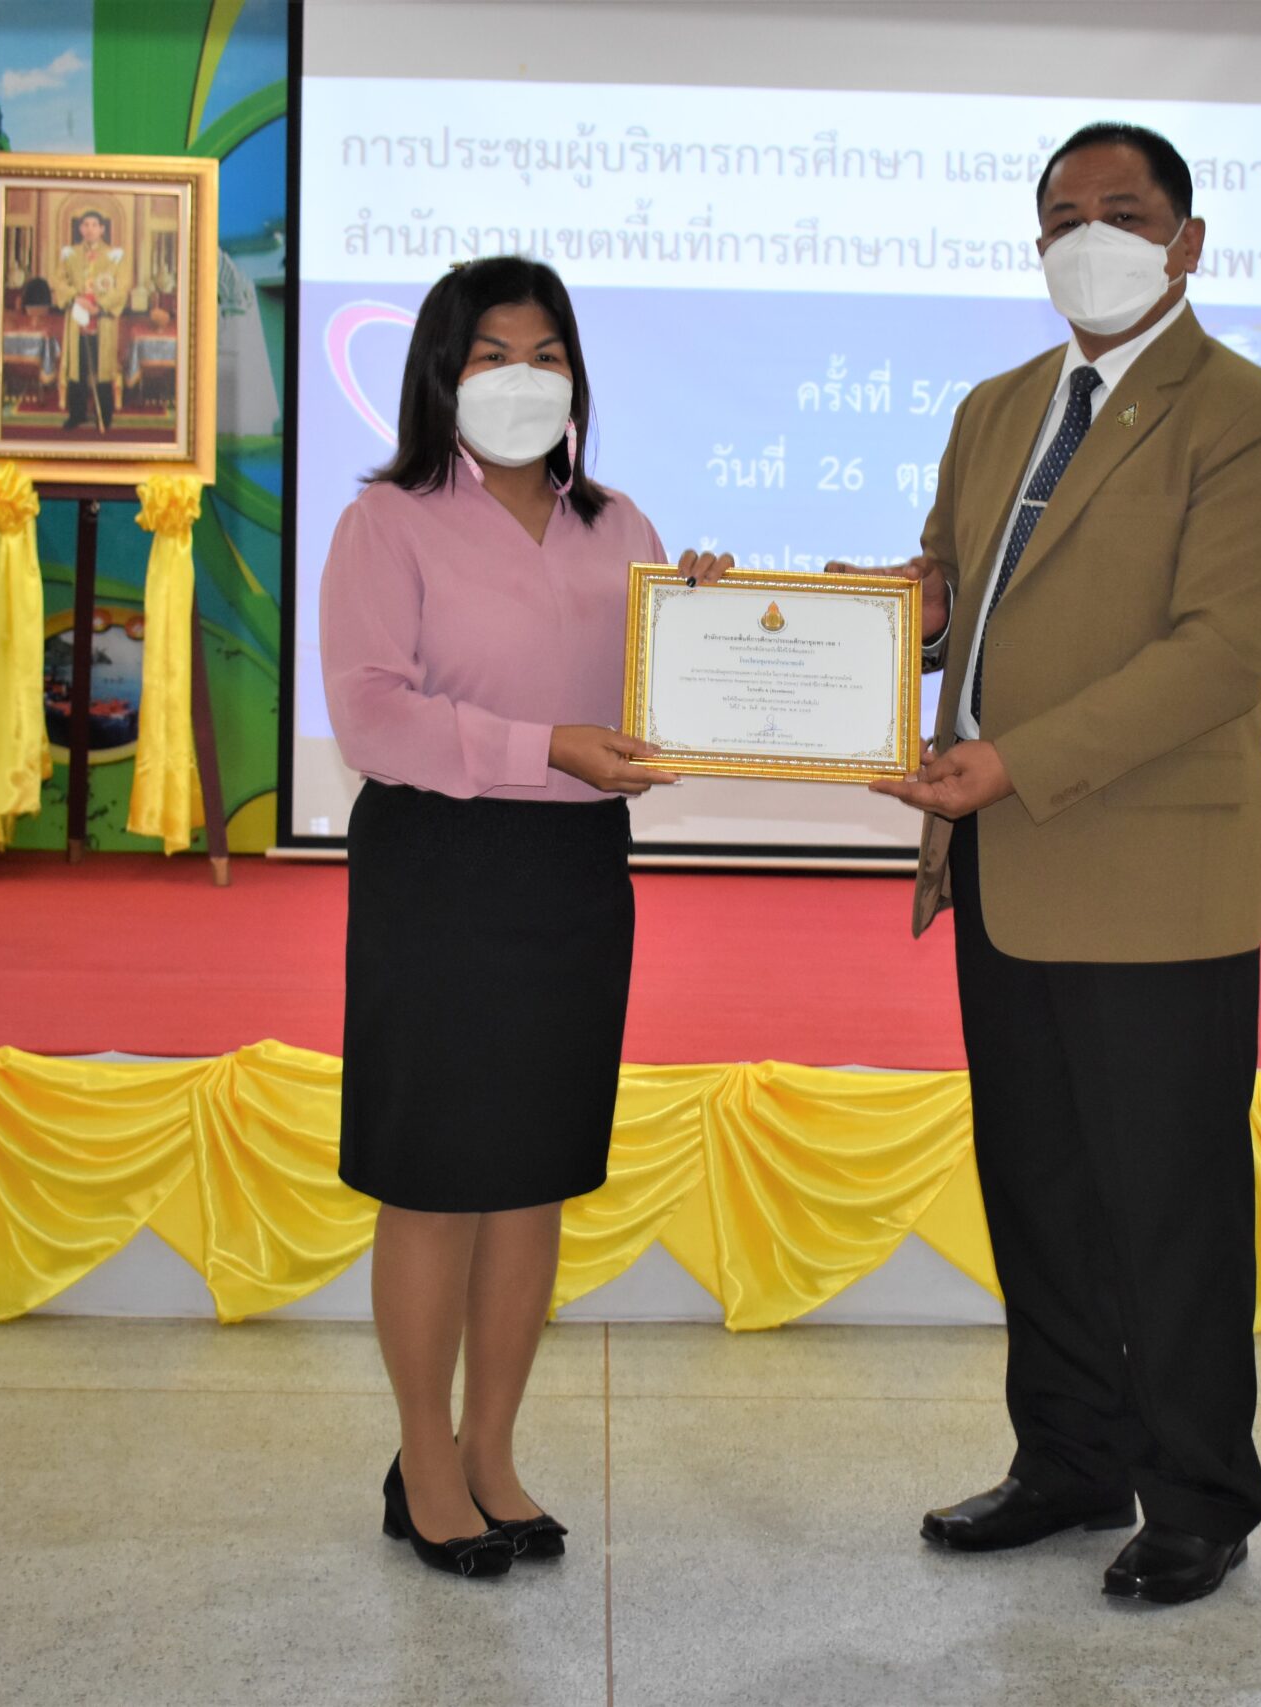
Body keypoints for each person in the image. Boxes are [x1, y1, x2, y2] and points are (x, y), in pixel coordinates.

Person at [840, 123, 1261, 1606]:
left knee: (1167, 1203)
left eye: (1122, 212)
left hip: (1151, 882)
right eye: (1063, 216)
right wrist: (869, 621)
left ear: (1188, 241)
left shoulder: (1255, 421)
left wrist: (1015, 760)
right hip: (1001, 868)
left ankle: (1200, 1493)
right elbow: (953, 594)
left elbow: (1218, 655)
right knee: (1038, 1187)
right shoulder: (997, 409)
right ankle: (1067, 1458)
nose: (1088, 238)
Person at [318, 256, 731, 1580]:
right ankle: (422, 1460)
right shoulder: (386, 522)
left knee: (532, 1173)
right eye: (492, 353)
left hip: (571, 870)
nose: (522, 376)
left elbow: (661, 701)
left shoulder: (621, 524)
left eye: (546, 353)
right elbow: (372, 715)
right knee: (437, 1178)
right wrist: (542, 745)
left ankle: (491, 1448)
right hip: (440, 866)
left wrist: (719, 627)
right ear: (441, 375)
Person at [55, 211, 127, 432]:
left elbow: (121, 287)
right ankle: (76, 414)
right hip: (77, 318)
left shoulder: (114, 256)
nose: (90, 229)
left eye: (95, 225)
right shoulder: (70, 255)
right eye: (85, 224)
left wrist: (99, 306)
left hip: (102, 320)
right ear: (80, 229)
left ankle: (104, 415)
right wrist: (75, 298)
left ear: (102, 229)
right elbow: (59, 282)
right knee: (77, 368)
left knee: (102, 368)